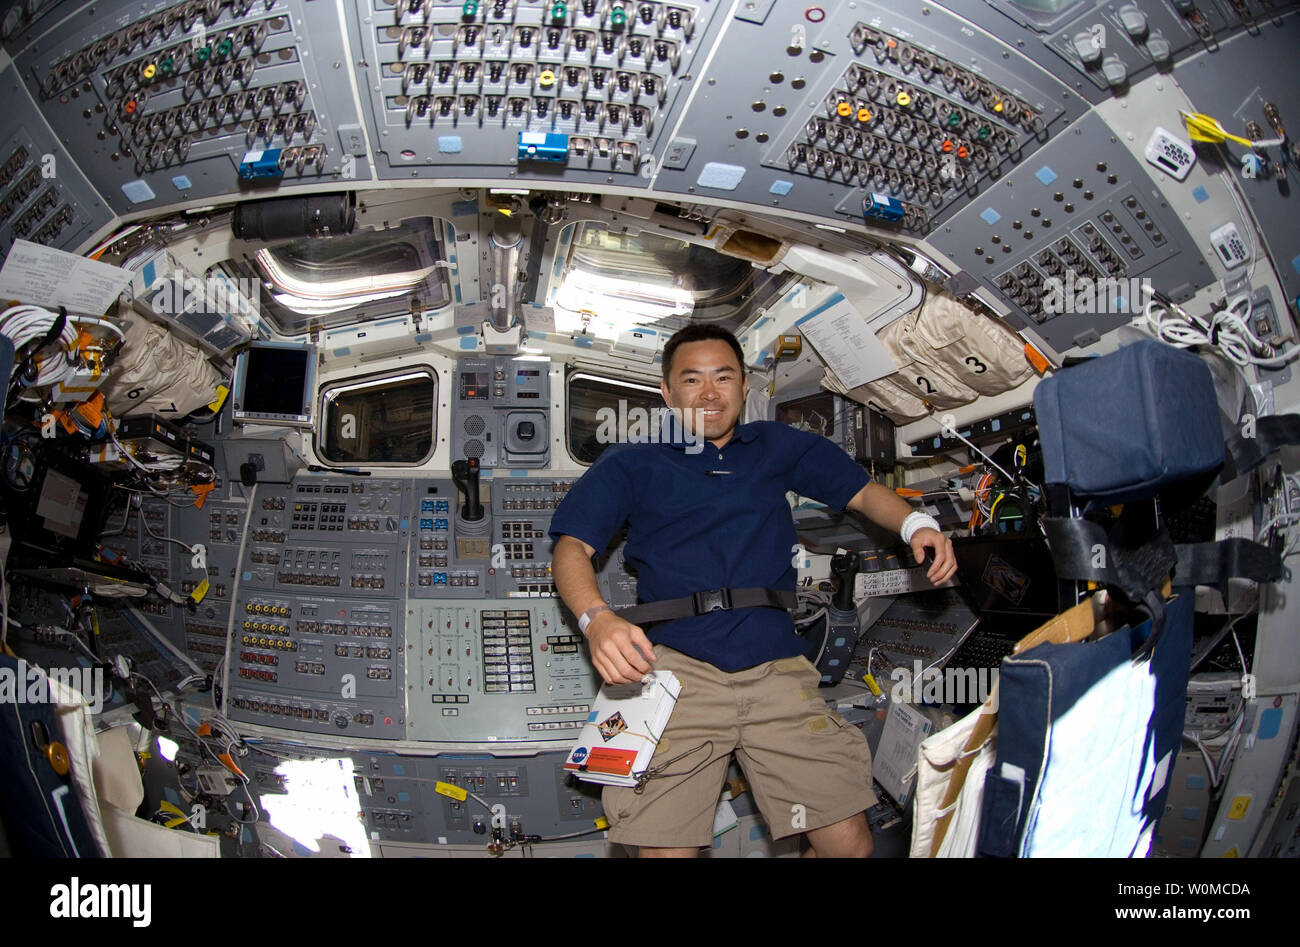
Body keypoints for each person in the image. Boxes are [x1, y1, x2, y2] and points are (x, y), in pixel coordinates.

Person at [550, 324, 958, 857]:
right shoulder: (634, 461)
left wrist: (914, 526)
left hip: (776, 667)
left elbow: (862, 493)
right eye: (692, 380)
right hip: (676, 671)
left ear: (745, 386)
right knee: (662, 849)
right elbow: (570, 548)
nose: (710, 392)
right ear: (667, 392)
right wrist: (595, 618)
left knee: (850, 846)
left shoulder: (778, 447)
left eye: (724, 377)